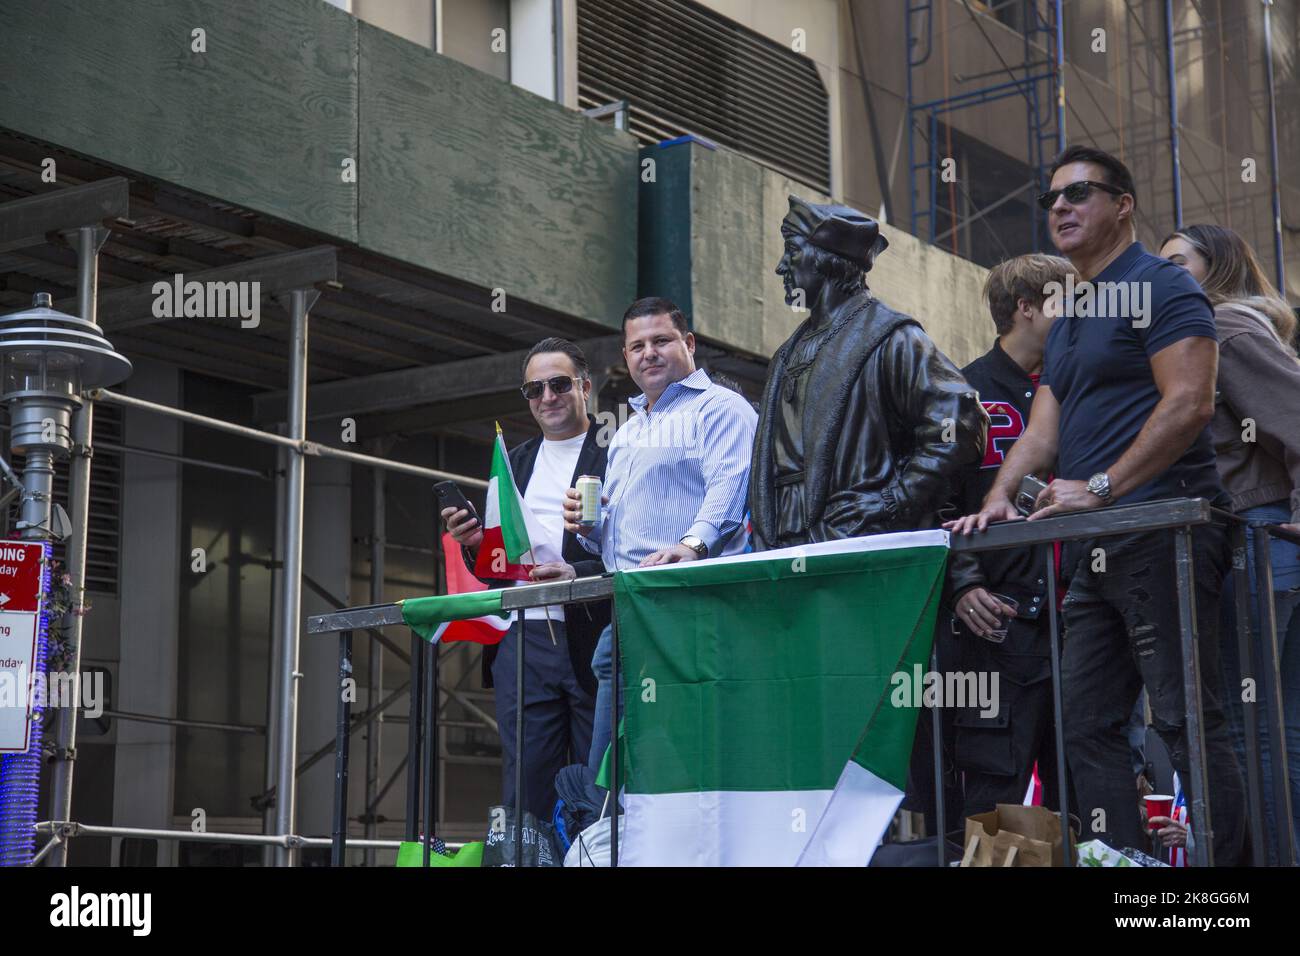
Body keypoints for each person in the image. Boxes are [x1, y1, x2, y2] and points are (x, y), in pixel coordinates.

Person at [947, 144, 1246, 864]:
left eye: (1079, 193)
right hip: (1095, 550)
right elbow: (1043, 432)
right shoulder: (1076, 310)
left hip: (1165, 529)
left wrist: (1104, 486)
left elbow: (1191, 403)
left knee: (1183, 722)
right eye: (1052, 198)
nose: (1060, 207)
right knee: (1085, 726)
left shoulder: (1164, 288)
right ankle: (1125, 867)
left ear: (1123, 205)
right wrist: (996, 502)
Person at [561, 297, 757, 775]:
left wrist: (692, 546)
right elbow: (619, 529)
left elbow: (730, 486)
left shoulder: (721, 408)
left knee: (681, 758)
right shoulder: (628, 432)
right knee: (614, 772)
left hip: (693, 609)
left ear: (688, 344)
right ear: (626, 358)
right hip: (630, 608)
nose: (648, 352)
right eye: (637, 346)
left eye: (661, 340)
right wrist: (590, 531)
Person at [1159, 224, 1300, 859]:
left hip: (1260, 540)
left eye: (1176, 262)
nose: (1161, 275)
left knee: (1255, 730)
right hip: (1265, 538)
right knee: (1278, 726)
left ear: (1216, 267)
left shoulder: (1225, 329)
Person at [750, 195, 986, 549]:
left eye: (792, 251)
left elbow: (961, 424)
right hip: (782, 537)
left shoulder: (893, 339)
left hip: (853, 539)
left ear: (827, 260)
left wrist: (895, 498)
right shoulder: (787, 353)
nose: (781, 267)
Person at [441, 337, 610, 819]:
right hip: (522, 637)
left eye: (559, 384)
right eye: (534, 390)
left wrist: (576, 572)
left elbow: (637, 551)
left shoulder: (618, 452)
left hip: (592, 631)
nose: (547, 398)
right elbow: (495, 566)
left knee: (595, 774)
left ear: (585, 387)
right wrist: (474, 544)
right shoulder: (514, 462)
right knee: (526, 777)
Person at [942, 253, 1076, 816]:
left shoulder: (1083, 386)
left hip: (1084, 610)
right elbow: (936, 501)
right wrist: (962, 582)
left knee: (1087, 778)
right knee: (993, 794)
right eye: (1070, 303)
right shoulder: (961, 391)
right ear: (1026, 308)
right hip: (999, 619)